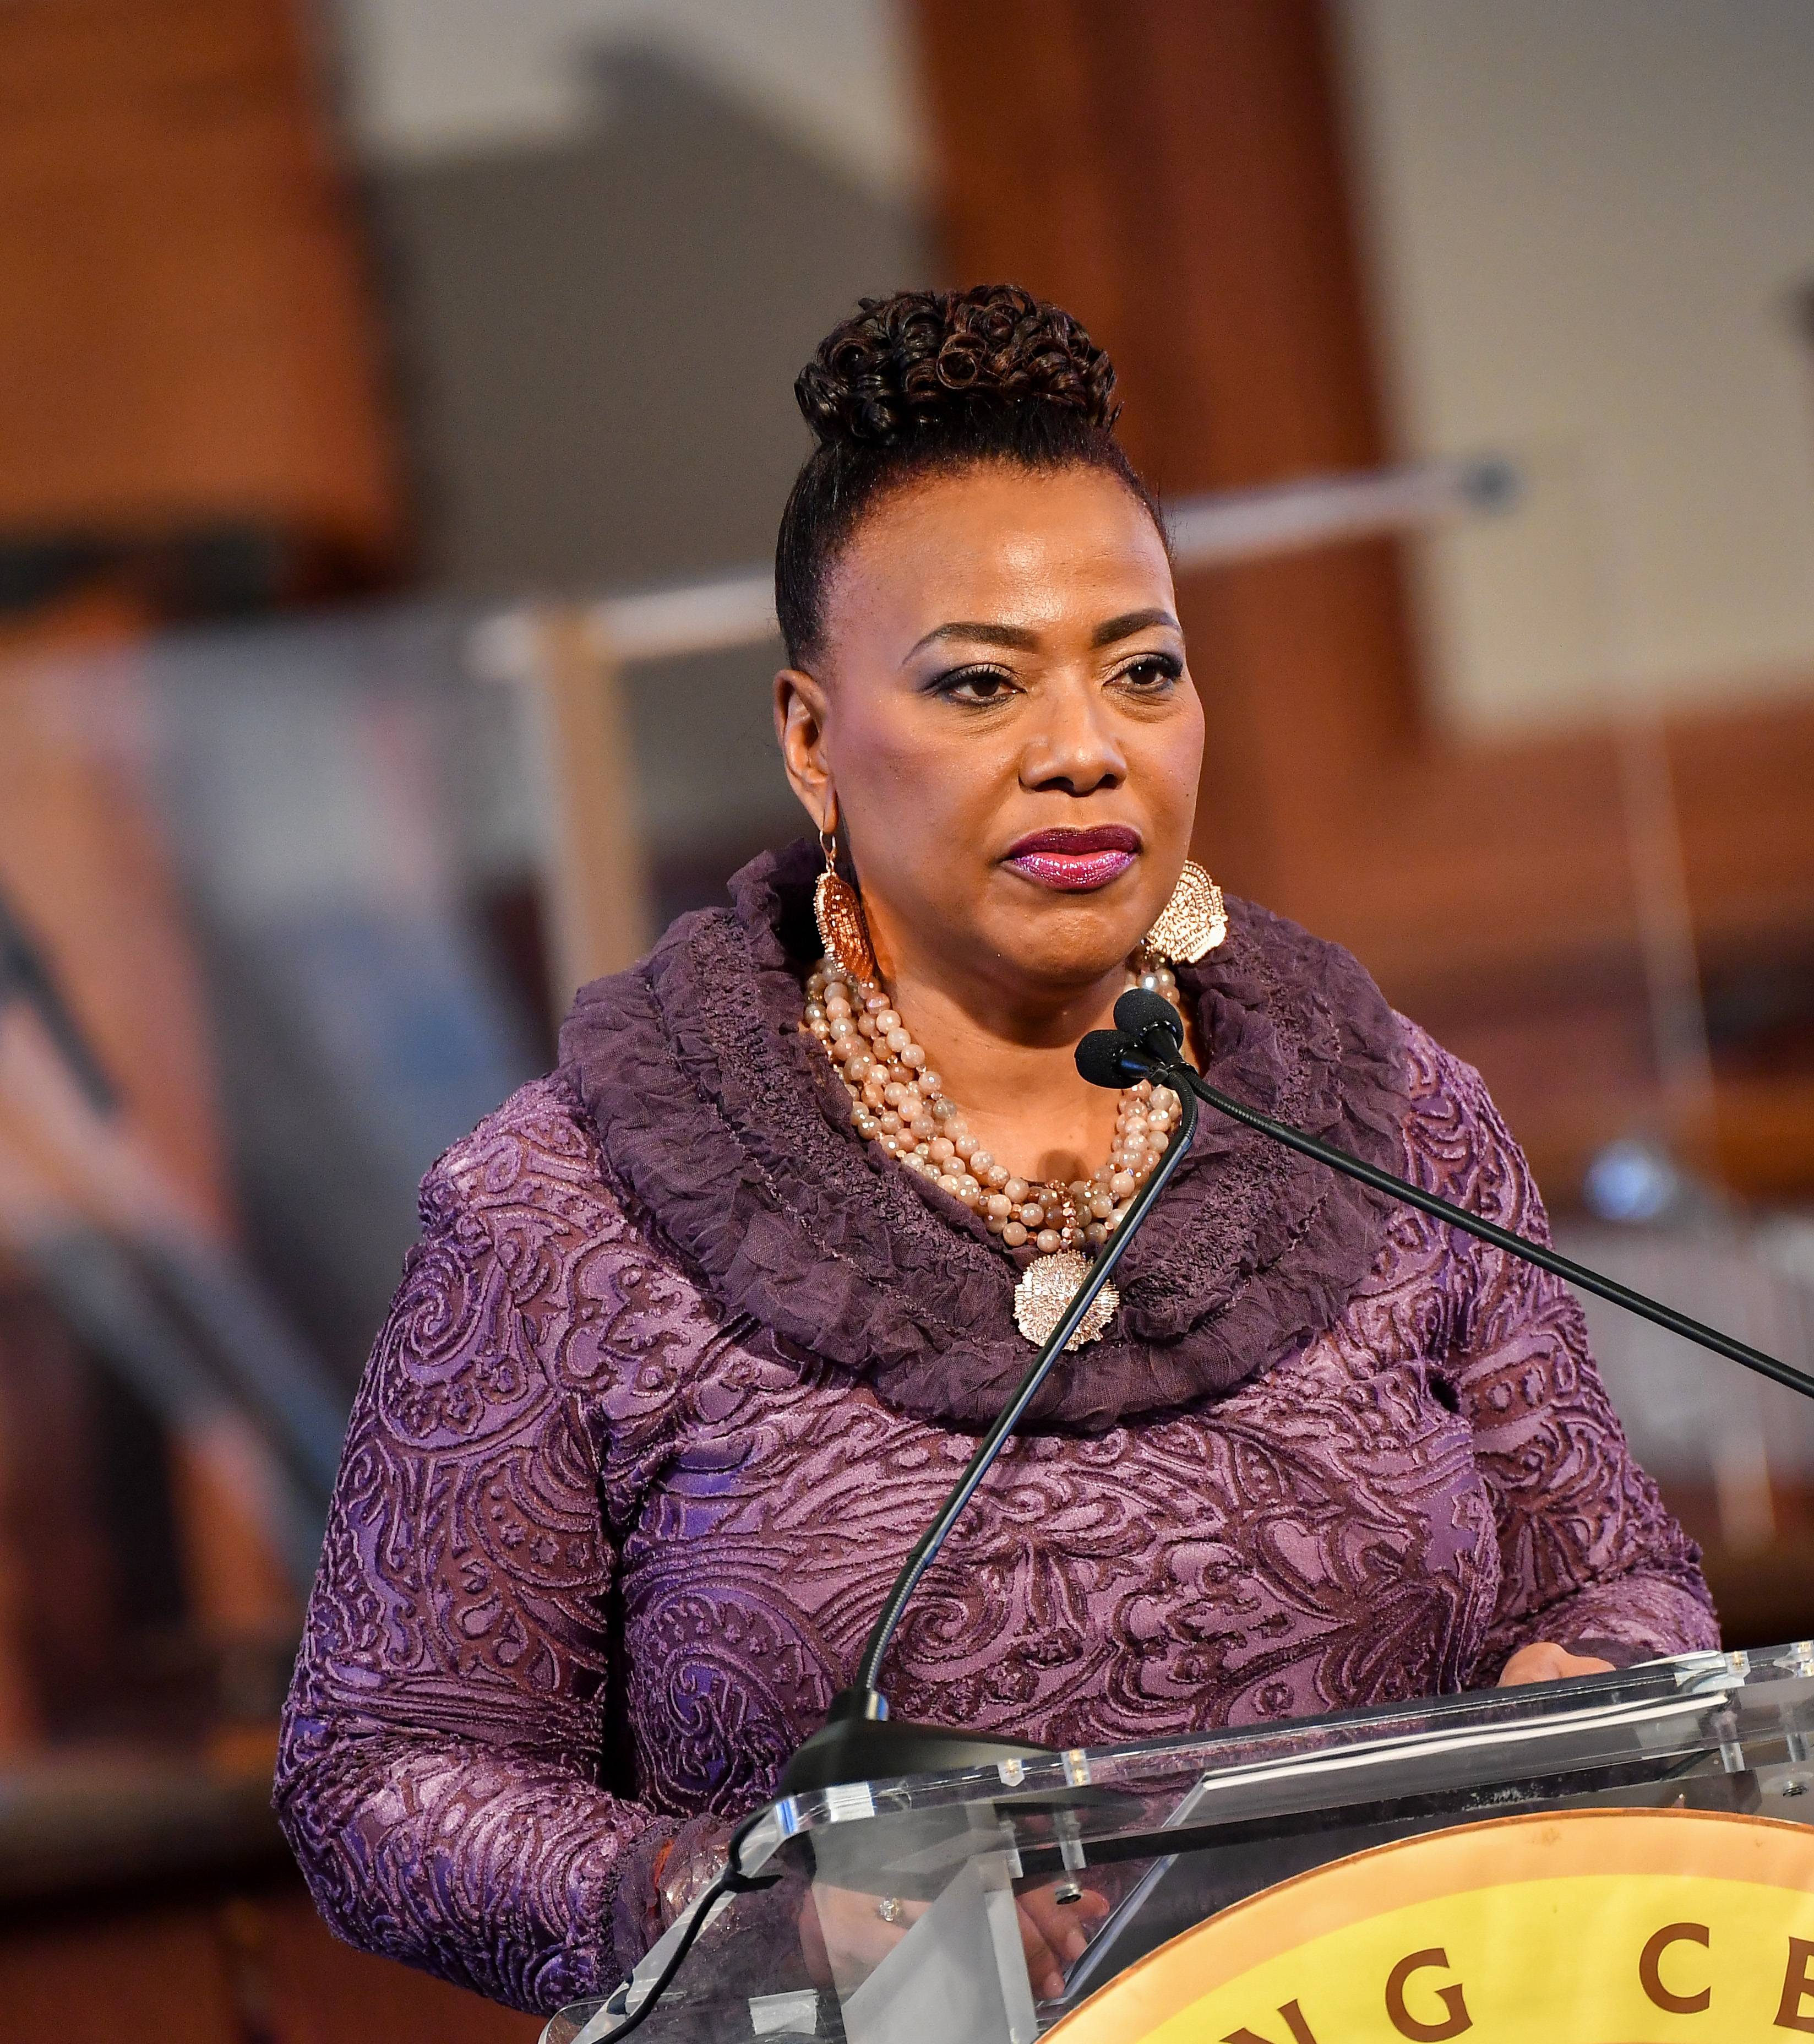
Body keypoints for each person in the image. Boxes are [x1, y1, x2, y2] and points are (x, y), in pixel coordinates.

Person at [273, 283, 1715, 2016]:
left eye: (1145, 670)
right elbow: (384, 1777)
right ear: (811, 740)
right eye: (979, 685)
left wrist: (1610, 1673)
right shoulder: (569, 1212)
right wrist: (743, 1901)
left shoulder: (1396, 1122)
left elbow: (1623, 1573)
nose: (1083, 750)